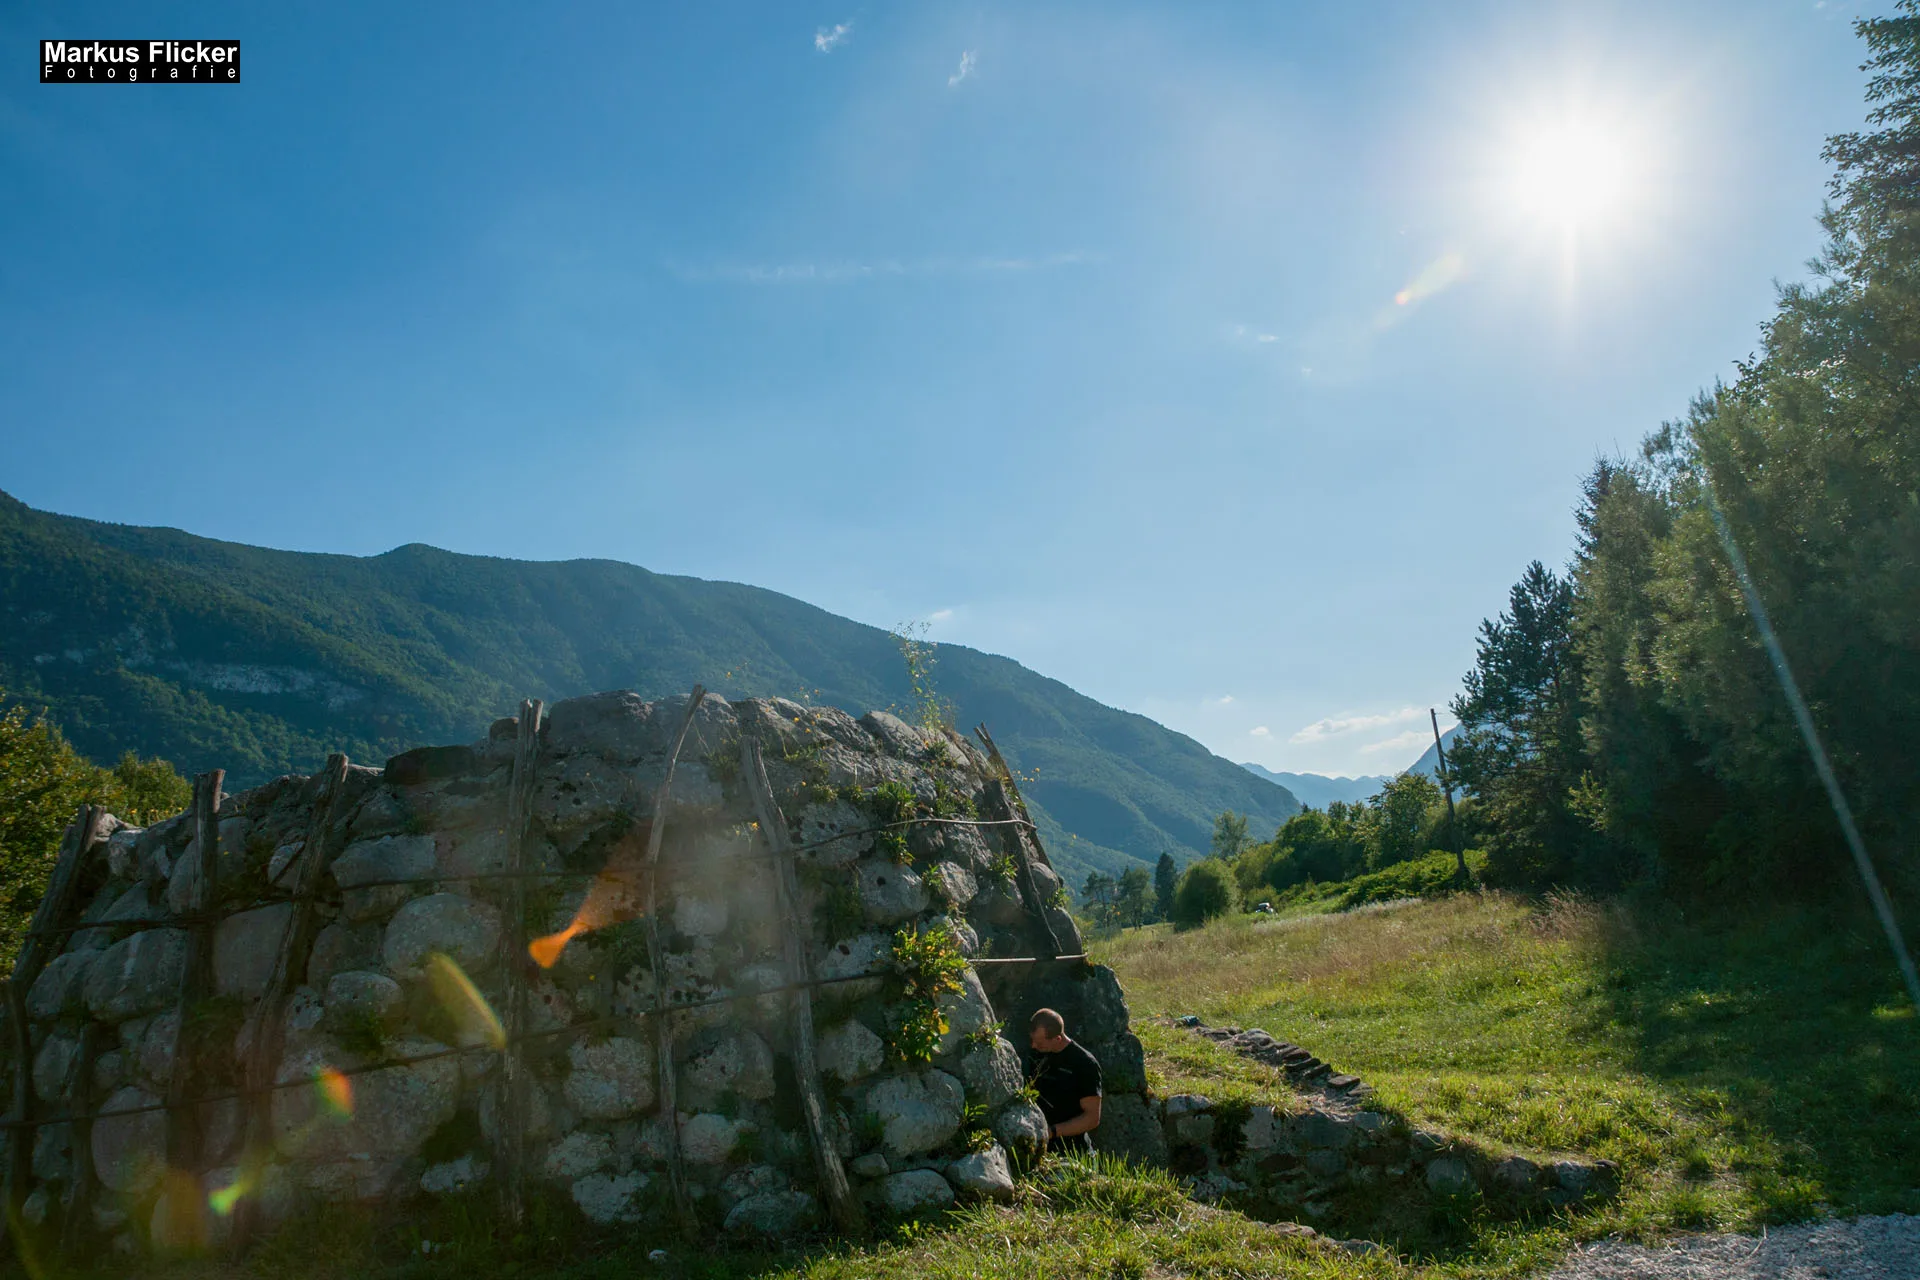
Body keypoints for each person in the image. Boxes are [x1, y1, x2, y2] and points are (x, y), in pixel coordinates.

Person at [1027, 1007, 1102, 1153]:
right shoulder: (1035, 1054)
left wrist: (1052, 1132)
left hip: (1073, 1150)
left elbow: (1092, 1118)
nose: (1034, 1046)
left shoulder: (1084, 1064)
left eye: (1040, 1043)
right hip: (1039, 1148)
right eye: (1032, 1040)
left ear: (1058, 1039)